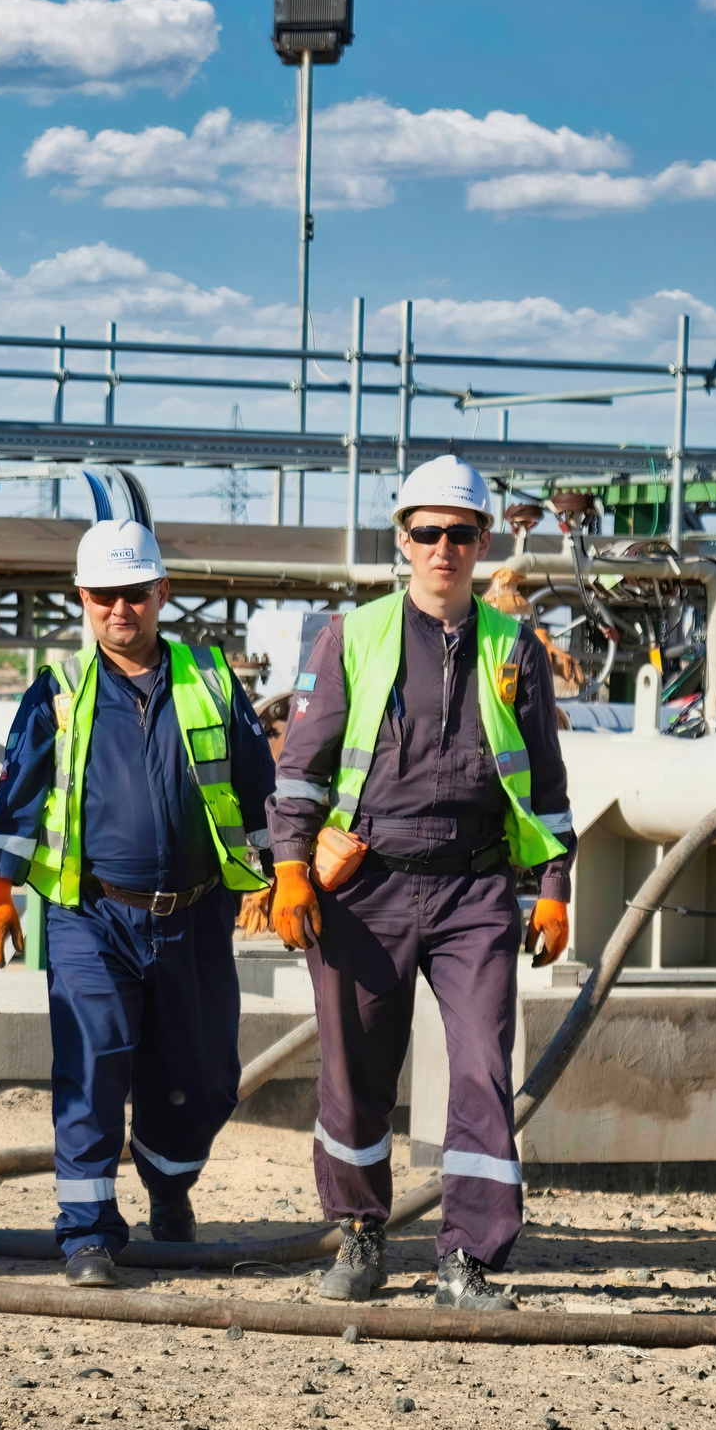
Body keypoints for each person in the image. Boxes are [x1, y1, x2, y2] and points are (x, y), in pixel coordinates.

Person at [268, 453, 575, 1313]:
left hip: (475, 889)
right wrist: (291, 869)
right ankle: (362, 1234)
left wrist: (553, 882)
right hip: (365, 885)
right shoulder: (352, 636)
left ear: (484, 541)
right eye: (427, 531)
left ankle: (467, 1258)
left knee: (481, 1067)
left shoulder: (515, 648)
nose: (443, 546)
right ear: (402, 540)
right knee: (354, 1070)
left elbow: (543, 782)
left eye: (461, 532)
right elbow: (299, 770)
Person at [0, 519, 275, 1288]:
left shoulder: (208, 680)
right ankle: (87, 1232)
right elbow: (19, 792)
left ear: (162, 593)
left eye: (135, 594)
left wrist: (284, 872)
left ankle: (170, 1186)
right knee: (92, 1059)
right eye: (105, 595)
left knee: (203, 1073)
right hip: (91, 913)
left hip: (196, 913)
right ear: (82, 599)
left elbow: (256, 785)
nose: (120, 609)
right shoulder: (59, 689)